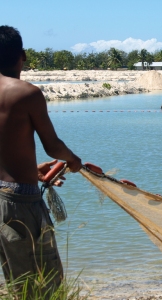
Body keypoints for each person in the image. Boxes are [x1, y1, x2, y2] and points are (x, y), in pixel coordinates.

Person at [0, 25, 82, 293]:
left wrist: (32, 170)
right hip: (21, 201)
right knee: (47, 283)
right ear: (22, 56)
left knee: (18, 282)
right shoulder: (27, 93)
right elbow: (53, 147)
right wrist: (72, 159)